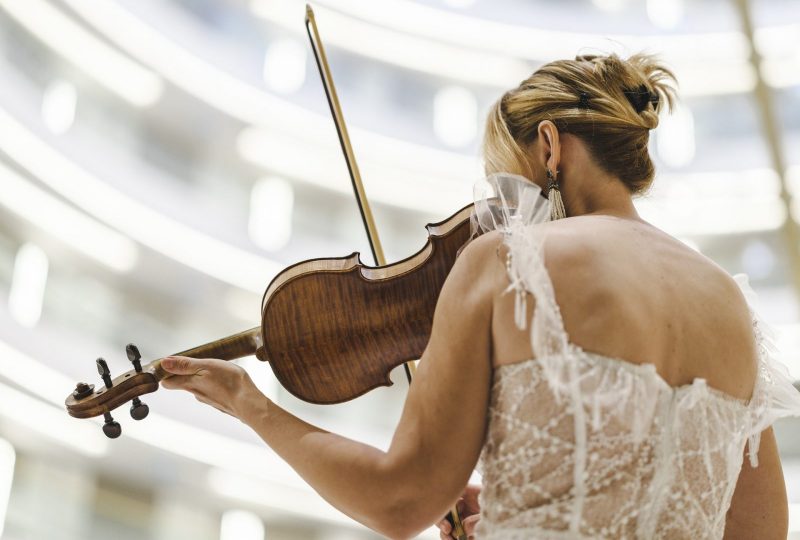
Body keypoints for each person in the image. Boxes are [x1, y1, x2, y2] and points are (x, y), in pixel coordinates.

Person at [160, 52, 800, 539]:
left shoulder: (507, 261)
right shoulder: (730, 307)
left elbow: (399, 501)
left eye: (505, 182)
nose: (500, 212)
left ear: (550, 145)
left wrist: (251, 404)